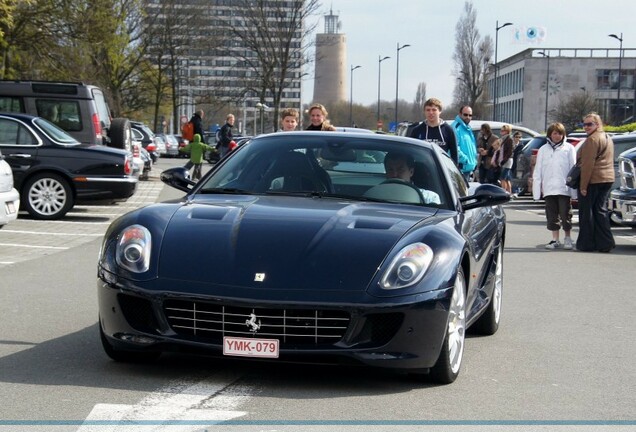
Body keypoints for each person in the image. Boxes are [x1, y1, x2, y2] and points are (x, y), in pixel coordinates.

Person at [532, 122, 577, 250]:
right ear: (550, 135)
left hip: (564, 187)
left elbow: (573, 169)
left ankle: (567, 237)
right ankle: (554, 239)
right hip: (549, 188)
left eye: (560, 133)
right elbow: (538, 170)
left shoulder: (569, 148)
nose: (557, 136)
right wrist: (537, 191)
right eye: (555, 133)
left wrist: (573, 191)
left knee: (565, 214)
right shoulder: (543, 150)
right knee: (551, 215)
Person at [576, 113, 615, 253]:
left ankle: (587, 243)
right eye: (584, 124)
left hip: (594, 179)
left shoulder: (592, 140)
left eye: (589, 124)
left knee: (587, 213)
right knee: (600, 210)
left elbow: (587, 165)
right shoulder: (607, 137)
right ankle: (605, 242)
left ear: (597, 124)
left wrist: (583, 186)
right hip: (607, 178)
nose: (586, 127)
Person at [410, 98, 458, 165]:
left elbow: (454, 155)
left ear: (440, 111)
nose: (431, 113)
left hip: (441, 169)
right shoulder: (417, 130)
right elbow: (410, 153)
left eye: (434, 110)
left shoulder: (448, 130)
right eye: (428, 110)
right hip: (421, 169)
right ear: (424, 111)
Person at [451, 105, 478, 182]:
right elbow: (455, 148)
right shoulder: (456, 127)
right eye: (465, 114)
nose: (468, 117)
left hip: (468, 169)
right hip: (460, 169)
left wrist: (474, 162)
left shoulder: (468, 128)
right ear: (460, 114)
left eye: (470, 115)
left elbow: (472, 148)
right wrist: (466, 160)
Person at [498, 124, 514, 194]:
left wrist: (504, 160)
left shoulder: (509, 139)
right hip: (505, 160)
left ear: (507, 131)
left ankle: (504, 192)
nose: (501, 132)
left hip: (507, 160)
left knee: (503, 178)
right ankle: (509, 192)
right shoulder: (504, 139)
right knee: (507, 178)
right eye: (501, 130)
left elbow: (510, 152)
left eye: (503, 131)